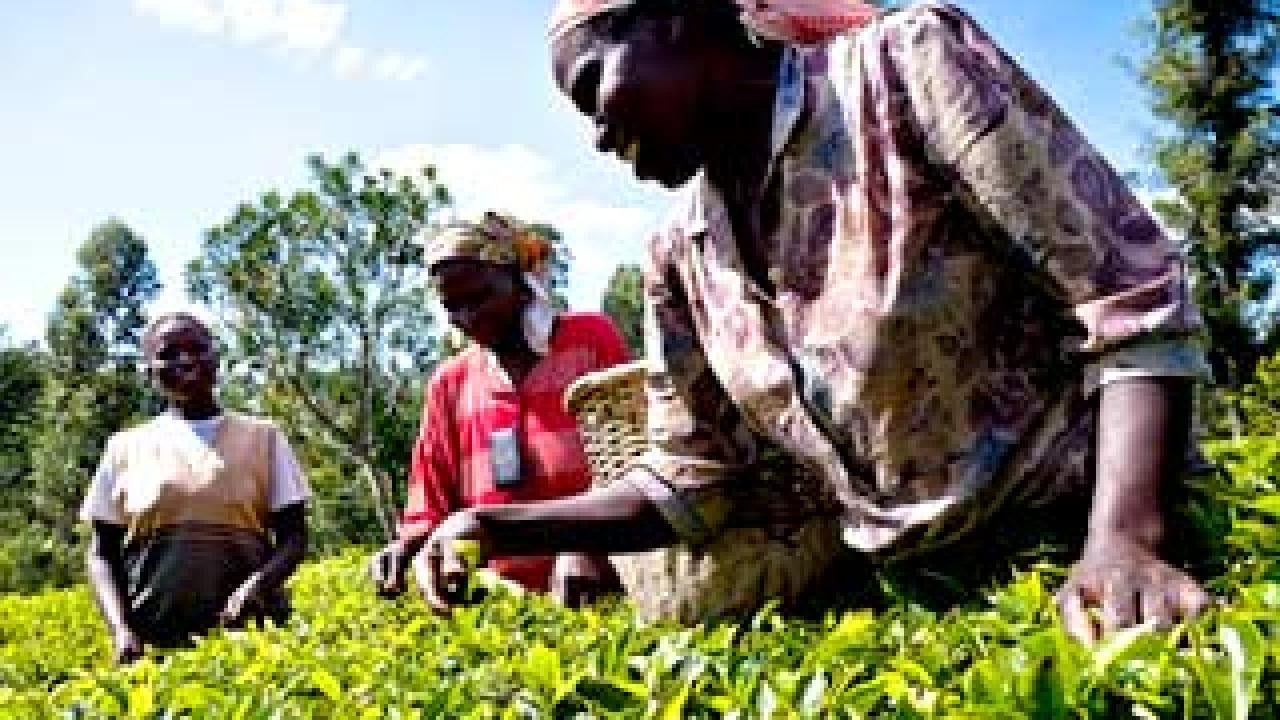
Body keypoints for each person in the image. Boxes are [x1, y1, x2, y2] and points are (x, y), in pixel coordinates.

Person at [416, 0, 1212, 643]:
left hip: (1077, 537)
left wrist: (1126, 542)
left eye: (593, 85)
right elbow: (690, 482)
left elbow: (1128, 295)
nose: (595, 134)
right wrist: (491, 523)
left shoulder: (904, 71)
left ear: (678, 18)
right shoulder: (679, 257)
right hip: (910, 593)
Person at [368, 212, 631, 607]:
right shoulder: (451, 385)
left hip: (602, 587)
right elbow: (431, 503)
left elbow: (631, 463)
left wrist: (587, 546)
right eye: (452, 306)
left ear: (522, 284)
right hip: (498, 601)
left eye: (479, 297)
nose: (466, 318)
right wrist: (406, 548)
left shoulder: (590, 341)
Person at [82, 311, 310, 664]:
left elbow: (294, 537)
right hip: (156, 645)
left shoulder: (264, 438)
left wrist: (258, 586)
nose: (185, 360)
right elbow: (102, 553)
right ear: (149, 371)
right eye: (168, 353)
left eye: (197, 349)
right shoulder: (124, 447)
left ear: (216, 359)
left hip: (253, 642)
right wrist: (121, 630)